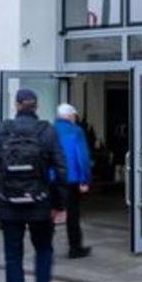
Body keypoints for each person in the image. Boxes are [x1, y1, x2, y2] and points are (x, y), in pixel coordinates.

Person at [0, 87, 66, 282]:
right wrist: (58, 204)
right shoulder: (47, 132)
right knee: (44, 251)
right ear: (35, 106)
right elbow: (62, 171)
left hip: (8, 206)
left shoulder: (1, 131)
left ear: (17, 105)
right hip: (40, 204)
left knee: (13, 258)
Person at [53, 103, 92, 258]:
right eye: (74, 115)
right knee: (72, 215)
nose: (75, 118)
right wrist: (85, 180)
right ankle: (75, 248)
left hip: (51, 179)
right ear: (69, 116)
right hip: (71, 179)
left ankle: (45, 248)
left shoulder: (49, 130)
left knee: (51, 213)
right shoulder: (76, 131)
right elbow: (82, 157)